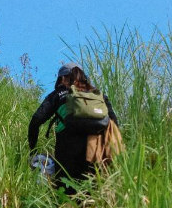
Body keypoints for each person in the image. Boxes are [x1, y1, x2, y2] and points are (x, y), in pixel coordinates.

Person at [28, 62, 119, 194]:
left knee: (67, 192)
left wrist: (32, 148)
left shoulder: (59, 94)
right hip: (96, 147)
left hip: (67, 147)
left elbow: (36, 120)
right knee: (94, 192)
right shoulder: (98, 94)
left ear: (63, 78)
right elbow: (114, 123)